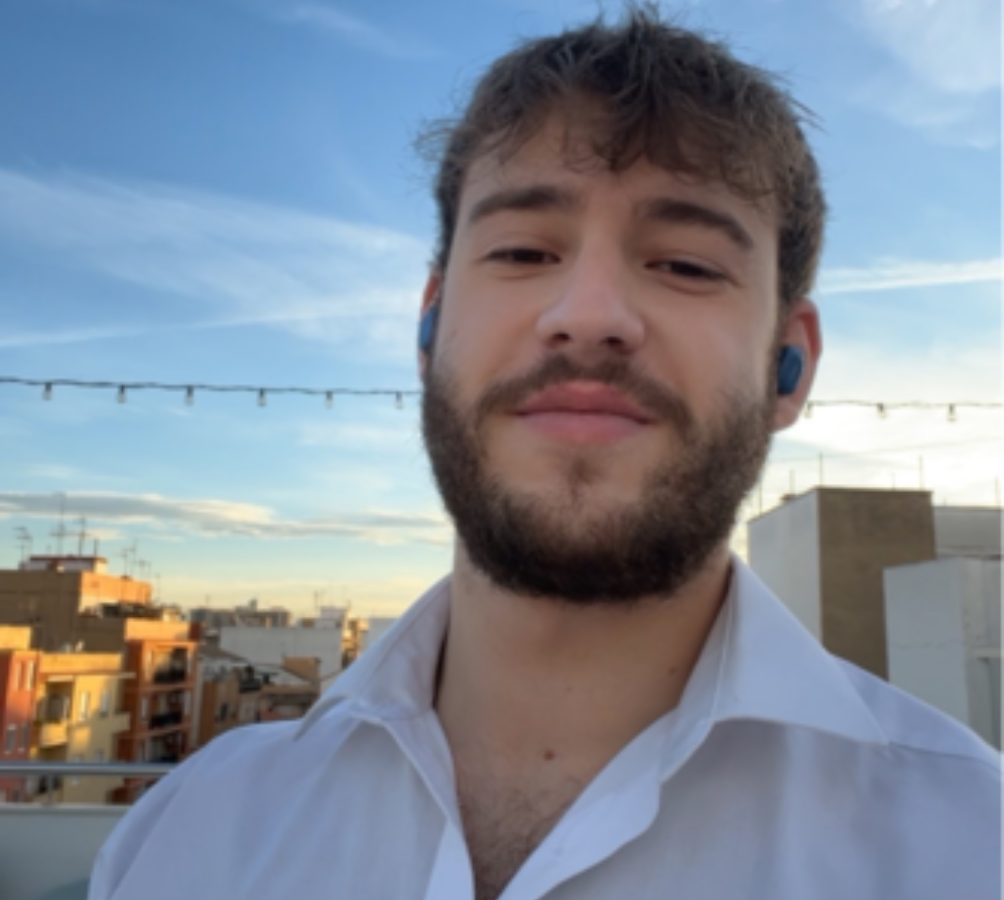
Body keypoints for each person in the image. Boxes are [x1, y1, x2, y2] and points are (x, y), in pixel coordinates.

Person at [89, 9, 1001, 900]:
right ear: (429, 327)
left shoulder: (972, 848)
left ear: (787, 365)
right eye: (523, 251)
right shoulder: (183, 837)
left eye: (686, 264)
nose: (589, 316)